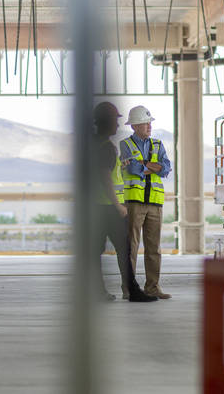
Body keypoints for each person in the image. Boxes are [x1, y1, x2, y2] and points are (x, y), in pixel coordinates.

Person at [92, 102, 157, 303]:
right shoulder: (107, 148)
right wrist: (118, 205)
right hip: (109, 207)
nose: (117, 125)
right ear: (106, 122)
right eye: (114, 120)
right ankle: (132, 290)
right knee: (124, 249)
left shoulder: (92, 144)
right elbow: (106, 178)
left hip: (94, 207)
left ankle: (97, 291)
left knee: (95, 251)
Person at [119, 105, 173, 299]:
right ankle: (129, 289)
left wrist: (143, 165)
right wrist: (152, 167)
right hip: (134, 202)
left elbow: (166, 168)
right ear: (134, 126)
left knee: (154, 248)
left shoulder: (158, 145)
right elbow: (132, 169)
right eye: (145, 122)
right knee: (131, 247)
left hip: (155, 202)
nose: (149, 126)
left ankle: (153, 287)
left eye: (150, 122)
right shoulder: (125, 145)